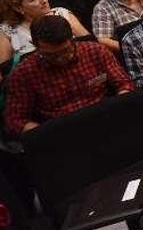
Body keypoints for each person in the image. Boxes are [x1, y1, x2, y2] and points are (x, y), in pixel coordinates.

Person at [4, 15, 133, 138]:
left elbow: (124, 83)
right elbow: (15, 121)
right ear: (35, 46)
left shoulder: (95, 52)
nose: (60, 59)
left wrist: (119, 107)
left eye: (65, 51)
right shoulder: (23, 74)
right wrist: (45, 132)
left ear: (72, 39)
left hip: (105, 117)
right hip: (60, 132)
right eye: (51, 55)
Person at [0, 0, 89, 64]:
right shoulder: (7, 30)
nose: (44, 1)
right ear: (18, 8)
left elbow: (88, 42)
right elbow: (4, 68)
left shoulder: (62, 13)